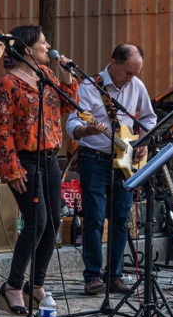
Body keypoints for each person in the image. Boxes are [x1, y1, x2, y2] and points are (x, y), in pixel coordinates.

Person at [0, 26, 79, 315]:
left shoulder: (48, 76)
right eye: (42, 42)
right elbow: (2, 130)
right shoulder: (8, 83)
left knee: (54, 221)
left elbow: (68, 106)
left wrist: (65, 75)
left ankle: (36, 285)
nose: (48, 46)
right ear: (26, 48)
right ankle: (13, 286)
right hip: (25, 160)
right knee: (36, 222)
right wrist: (11, 169)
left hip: (51, 159)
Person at [65, 44, 157, 295]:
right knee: (94, 219)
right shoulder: (88, 86)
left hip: (126, 161)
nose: (132, 78)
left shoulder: (136, 86)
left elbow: (149, 118)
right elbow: (72, 123)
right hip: (94, 159)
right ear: (113, 63)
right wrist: (86, 130)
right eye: (128, 72)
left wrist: (142, 141)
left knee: (120, 220)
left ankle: (115, 275)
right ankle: (93, 276)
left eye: (136, 73)